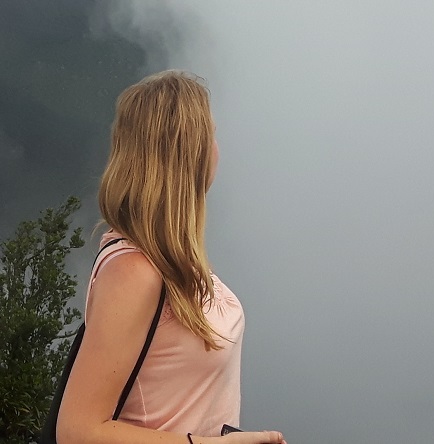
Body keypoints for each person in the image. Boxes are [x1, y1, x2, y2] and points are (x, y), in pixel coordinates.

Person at [55, 70, 288, 444]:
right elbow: (78, 430)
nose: (218, 149)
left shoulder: (166, 260)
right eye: (211, 135)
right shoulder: (134, 272)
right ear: (191, 152)